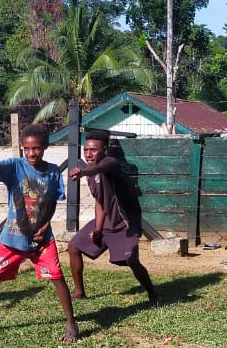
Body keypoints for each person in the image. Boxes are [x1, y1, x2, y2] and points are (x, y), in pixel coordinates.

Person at [0, 124, 80, 342]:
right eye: (27, 148)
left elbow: (51, 203)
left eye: (37, 148)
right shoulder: (15, 166)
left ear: (46, 147)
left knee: (58, 278)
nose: (31, 153)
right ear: (22, 148)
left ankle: (72, 325)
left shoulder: (52, 173)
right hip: (12, 239)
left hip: (42, 241)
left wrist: (44, 225)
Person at [66, 130, 159, 306]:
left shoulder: (110, 164)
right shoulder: (90, 175)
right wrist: (98, 229)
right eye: (86, 150)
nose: (88, 154)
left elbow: (100, 167)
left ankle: (153, 295)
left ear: (105, 150)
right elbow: (100, 202)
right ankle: (79, 292)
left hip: (125, 224)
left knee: (131, 260)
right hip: (106, 222)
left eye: (93, 150)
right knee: (73, 247)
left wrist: (84, 173)